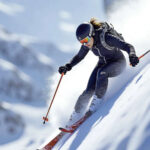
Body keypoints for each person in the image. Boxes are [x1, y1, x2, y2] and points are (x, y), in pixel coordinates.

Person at [58, 17, 139, 125]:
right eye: (82, 42)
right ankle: (75, 116)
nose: (85, 44)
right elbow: (79, 56)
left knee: (102, 73)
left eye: (86, 40)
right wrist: (68, 66)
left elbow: (127, 46)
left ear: (91, 34)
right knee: (88, 90)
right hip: (102, 64)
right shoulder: (88, 43)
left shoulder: (106, 38)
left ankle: (96, 103)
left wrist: (132, 55)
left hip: (118, 63)